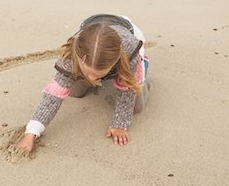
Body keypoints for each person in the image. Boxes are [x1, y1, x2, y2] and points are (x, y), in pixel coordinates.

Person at [16, 13, 150, 152]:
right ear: (80, 59)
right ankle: (93, 72)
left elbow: (127, 90)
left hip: (126, 37)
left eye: (98, 74)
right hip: (92, 31)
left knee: (136, 107)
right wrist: (31, 133)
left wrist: (120, 124)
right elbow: (52, 96)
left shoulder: (129, 52)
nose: (92, 79)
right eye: (88, 74)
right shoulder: (70, 58)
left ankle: (143, 66)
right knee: (75, 92)